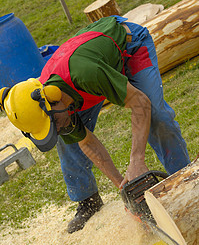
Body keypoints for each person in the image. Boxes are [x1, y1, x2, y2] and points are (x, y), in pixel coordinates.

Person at [0, 16, 190, 233]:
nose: (57, 127)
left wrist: (137, 160)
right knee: (67, 140)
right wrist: (126, 189)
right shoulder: (50, 106)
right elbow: (87, 142)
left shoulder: (85, 73)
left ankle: (184, 179)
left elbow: (139, 103)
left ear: (53, 98)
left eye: (54, 122)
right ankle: (87, 199)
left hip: (129, 47)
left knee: (156, 116)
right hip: (86, 80)